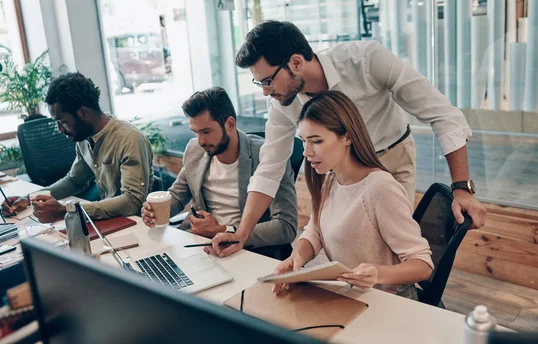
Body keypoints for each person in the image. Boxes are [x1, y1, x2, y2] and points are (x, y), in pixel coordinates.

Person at [211, 20, 486, 257]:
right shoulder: (283, 102)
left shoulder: (366, 60)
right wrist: (242, 233)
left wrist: (461, 188)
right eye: (259, 84)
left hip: (390, 158)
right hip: (337, 173)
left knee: (388, 250)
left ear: (295, 62)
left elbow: (444, 115)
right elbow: (269, 167)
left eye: (268, 80)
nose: (265, 92)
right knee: (341, 244)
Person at [273, 91, 433, 299]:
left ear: (347, 136)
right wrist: (296, 259)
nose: (306, 152)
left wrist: (378, 274)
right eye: (304, 141)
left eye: (317, 141)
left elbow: (423, 265)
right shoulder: (330, 180)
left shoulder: (380, 188)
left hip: (387, 300)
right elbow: (314, 232)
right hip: (350, 295)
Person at [140, 87, 297, 254]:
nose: (200, 141)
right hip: (200, 244)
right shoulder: (195, 150)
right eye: (196, 132)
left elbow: (286, 226)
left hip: (248, 250)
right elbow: (178, 197)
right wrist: (155, 211)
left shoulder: (269, 157)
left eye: (206, 131)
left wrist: (224, 229)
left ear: (230, 124)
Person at [1, 73, 154, 222]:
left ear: (83, 112)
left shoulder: (129, 138)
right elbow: (74, 181)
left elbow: (132, 202)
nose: (59, 129)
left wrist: (67, 211)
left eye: (63, 121)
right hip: (108, 222)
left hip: (137, 225)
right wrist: (29, 198)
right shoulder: (84, 138)